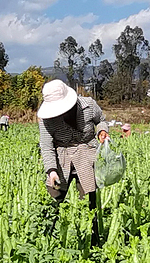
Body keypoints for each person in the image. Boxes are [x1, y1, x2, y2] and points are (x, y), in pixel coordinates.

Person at [37, 79, 108, 245]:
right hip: (62, 160)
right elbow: (47, 147)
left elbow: (101, 120)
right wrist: (51, 171)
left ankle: (93, 243)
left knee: (89, 204)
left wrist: (102, 130)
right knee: (53, 201)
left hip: (86, 156)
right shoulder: (46, 119)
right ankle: (46, 242)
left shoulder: (88, 106)